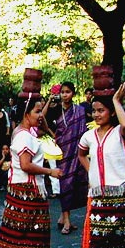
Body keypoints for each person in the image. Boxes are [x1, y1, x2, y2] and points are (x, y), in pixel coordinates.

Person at [0, 94, 64, 248]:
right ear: (26, 113)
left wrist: (43, 119)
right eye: (37, 111)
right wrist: (50, 171)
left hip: (20, 187)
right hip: (29, 189)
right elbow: (25, 165)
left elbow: (42, 126)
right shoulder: (25, 136)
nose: (41, 115)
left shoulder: (20, 131)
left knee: (14, 230)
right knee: (38, 231)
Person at [74, 83, 125, 248]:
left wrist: (118, 102)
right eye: (95, 111)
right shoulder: (88, 136)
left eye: (102, 110)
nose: (97, 114)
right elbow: (81, 154)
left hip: (121, 192)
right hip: (98, 195)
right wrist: (91, 172)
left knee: (122, 237)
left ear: (110, 112)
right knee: (90, 239)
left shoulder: (119, 132)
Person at [44, 82, 88, 235]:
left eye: (68, 92)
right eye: (62, 92)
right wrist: (49, 100)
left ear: (73, 94)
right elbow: (41, 119)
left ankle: (64, 217)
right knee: (65, 183)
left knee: (75, 183)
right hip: (63, 152)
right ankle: (67, 221)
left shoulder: (80, 110)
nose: (64, 95)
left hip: (78, 151)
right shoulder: (55, 109)